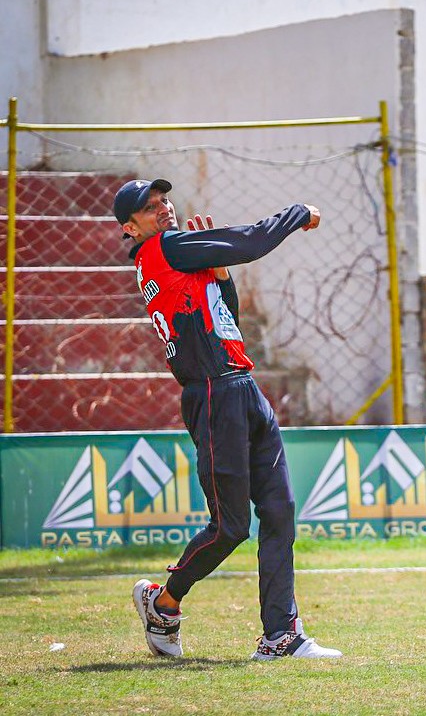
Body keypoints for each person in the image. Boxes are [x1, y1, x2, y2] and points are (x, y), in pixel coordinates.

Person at [112, 177, 342, 661]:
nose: (164, 209)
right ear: (130, 228)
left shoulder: (175, 256)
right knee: (230, 527)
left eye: (164, 200)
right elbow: (252, 241)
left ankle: (281, 636)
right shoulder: (167, 248)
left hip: (241, 387)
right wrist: (297, 212)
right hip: (215, 395)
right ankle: (163, 603)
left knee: (278, 510)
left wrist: (221, 274)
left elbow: (227, 320)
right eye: (150, 208)